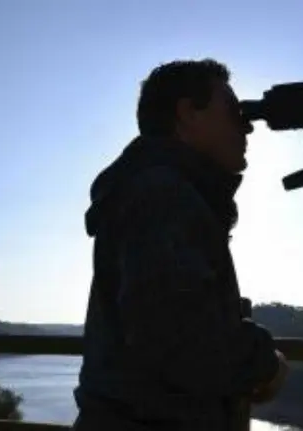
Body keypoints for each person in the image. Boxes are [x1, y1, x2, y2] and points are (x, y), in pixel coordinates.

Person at [72, 59, 288, 431]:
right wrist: (265, 363)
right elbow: (179, 339)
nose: (248, 126)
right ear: (188, 113)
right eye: (234, 111)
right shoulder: (162, 195)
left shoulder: (154, 189)